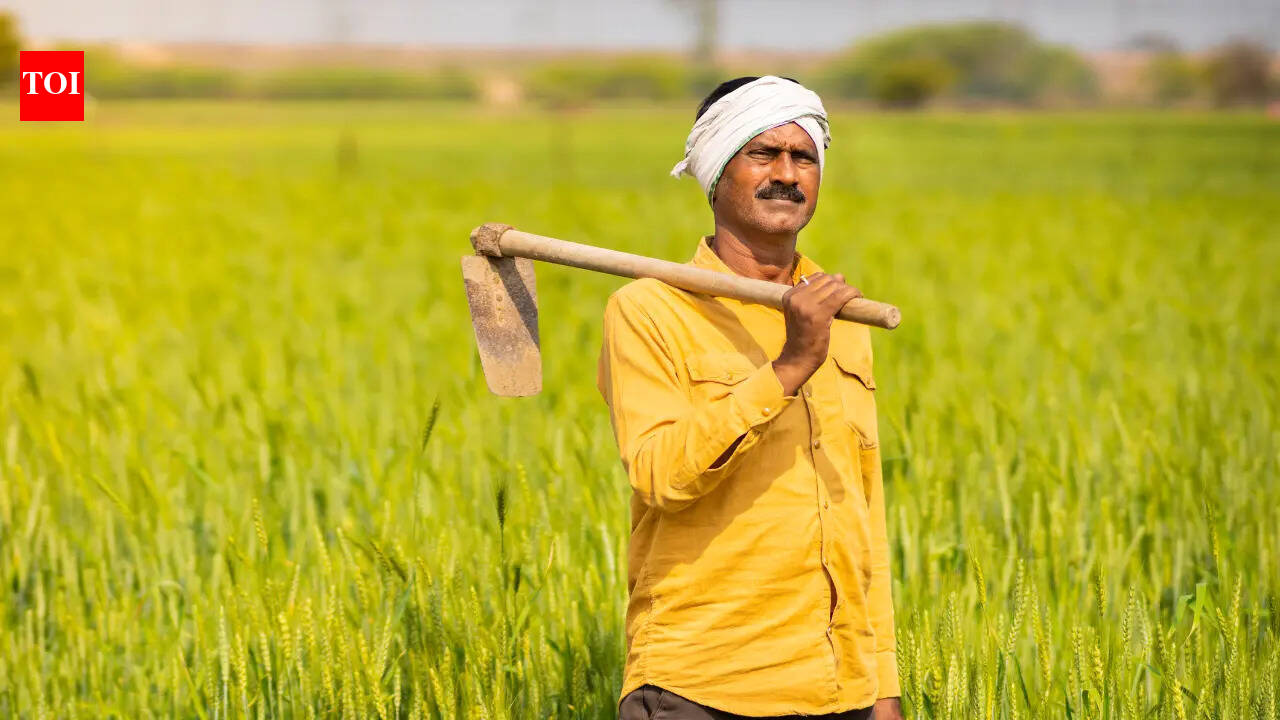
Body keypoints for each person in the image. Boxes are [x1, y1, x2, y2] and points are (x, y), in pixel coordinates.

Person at [596, 76, 905, 720]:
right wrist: (790, 365)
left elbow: (862, 511)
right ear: (717, 175)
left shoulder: (842, 317)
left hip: (837, 688)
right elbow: (662, 475)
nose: (787, 174)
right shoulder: (649, 311)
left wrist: (882, 688)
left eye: (804, 157)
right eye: (762, 154)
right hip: (702, 684)